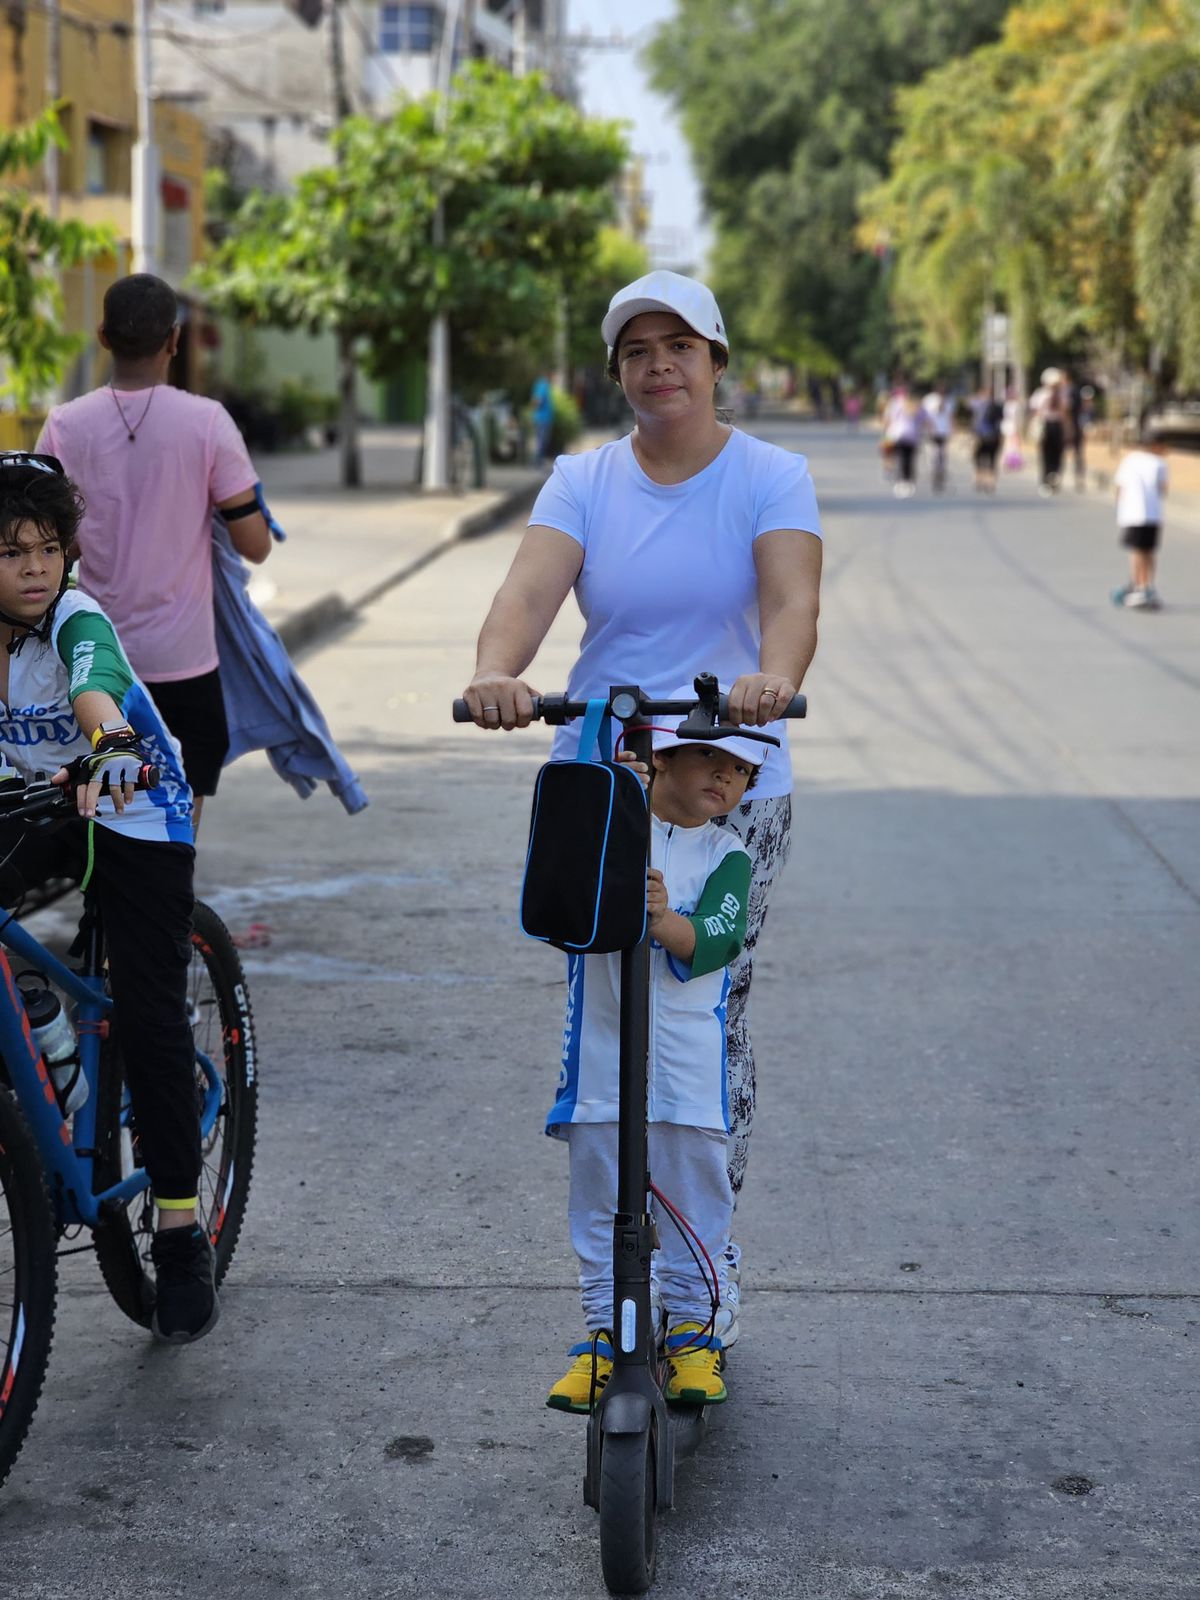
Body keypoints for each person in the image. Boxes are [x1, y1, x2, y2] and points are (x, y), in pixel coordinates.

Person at [460, 268, 821, 1304]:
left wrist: (776, 679)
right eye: (635, 351)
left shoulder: (771, 474)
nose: (657, 366)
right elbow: (524, 595)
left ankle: (702, 1256)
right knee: (609, 1004)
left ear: (715, 360)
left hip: (728, 775)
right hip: (607, 774)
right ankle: (616, 1255)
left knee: (704, 1001)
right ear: (618, 369)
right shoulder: (584, 479)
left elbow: (793, 600)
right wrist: (497, 671)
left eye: (678, 347)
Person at [0, 453, 217, 1342]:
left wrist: (113, 743)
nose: (36, 568)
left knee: (151, 1018)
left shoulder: (74, 622)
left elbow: (97, 689)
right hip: (39, 805)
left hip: (130, 804)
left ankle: (178, 1225)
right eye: (12, 552)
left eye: (49, 548)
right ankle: (43, 1024)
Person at [547, 717, 764, 1410]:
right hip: (601, 1060)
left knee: (697, 1200)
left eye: (741, 770)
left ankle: (694, 1333)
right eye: (709, 756)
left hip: (687, 1068)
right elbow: (561, 896)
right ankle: (605, 1335)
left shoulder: (729, 853)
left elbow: (717, 939)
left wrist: (667, 918)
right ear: (657, 762)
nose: (726, 775)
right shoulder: (612, 831)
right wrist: (614, 802)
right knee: (600, 1200)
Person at [36, 274, 272, 826]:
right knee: (175, 837)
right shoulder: (208, 422)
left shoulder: (65, 425)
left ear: (102, 336)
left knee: (97, 828)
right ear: (174, 339)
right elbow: (253, 545)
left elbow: (52, 545)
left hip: (93, 667)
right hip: (185, 668)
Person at [1112, 435, 1169, 610]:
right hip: (1152, 514)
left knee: (1137, 551)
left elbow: (1119, 487)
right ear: (1155, 445)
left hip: (1132, 514)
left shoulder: (1130, 460)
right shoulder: (1159, 463)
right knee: (1148, 551)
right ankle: (1146, 586)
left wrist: (1121, 508)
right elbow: (1163, 489)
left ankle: (1138, 585)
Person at [1028, 366, 1074, 495]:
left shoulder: (1063, 394)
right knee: (1045, 454)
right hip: (1045, 425)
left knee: (1058, 453)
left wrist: (1068, 429)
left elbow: (1065, 413)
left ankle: (1054, 477)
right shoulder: (1041, 394)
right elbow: (1036, 411)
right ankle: (1045, 480)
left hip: (1057, 425)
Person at [883, 384, 925, 497]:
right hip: (909, 436)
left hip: (902, 436)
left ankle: (903, 482)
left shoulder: (897, 404)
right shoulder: (914, 405)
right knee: (908, 460)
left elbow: (889, 420)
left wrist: (887, 433)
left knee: (903, 460)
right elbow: (923, 421)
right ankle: (907, 482)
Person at [969, 386, 1004, 492]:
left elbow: (975, 423)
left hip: (983, 437)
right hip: (993, 436)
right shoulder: (997, 406)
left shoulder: (980, 406)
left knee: (979, 458)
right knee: (991, 460)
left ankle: (981, 479)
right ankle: (989, 481)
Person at [921, 382, 955, 491]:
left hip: (944, 431)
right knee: (933, 453)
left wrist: (952, 430)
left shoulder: (949, 401)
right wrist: (927, 427)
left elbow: (951, 417)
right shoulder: (929, 400)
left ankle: (941, 472)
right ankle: (934, 472)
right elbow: (924, 416)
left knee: (942, 453)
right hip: (932, 431)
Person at [530, 370, 555, 466]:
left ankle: (538, 461)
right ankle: (537, 462)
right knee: (542, 440)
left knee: (541, 440)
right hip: (543, 418)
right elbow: (537, 400)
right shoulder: (543, 385)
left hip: (542, 418)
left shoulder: (540, 384)